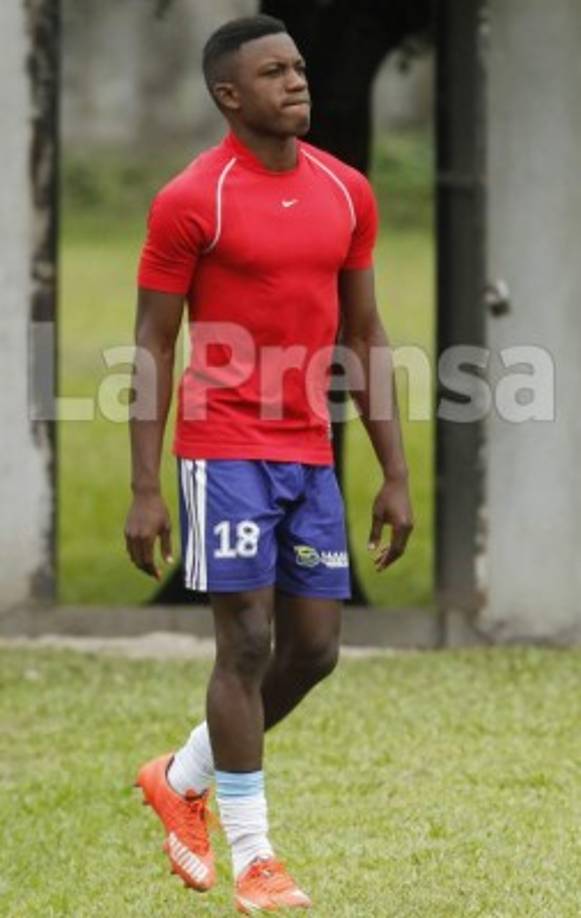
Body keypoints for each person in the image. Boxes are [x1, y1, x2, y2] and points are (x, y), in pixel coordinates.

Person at [125, 13, 414, 915]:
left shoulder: (346, 191)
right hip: (222, 446)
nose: (297, 82)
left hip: (306, 452)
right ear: (228, 95)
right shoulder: (191, 199)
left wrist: (394, 472)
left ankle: (179, 775)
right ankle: (256, 859)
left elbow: (364, 335)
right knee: (246, 640)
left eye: (298, 68)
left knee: (316, 650)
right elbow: (150, 343)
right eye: (274, 73)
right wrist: (144, 488)